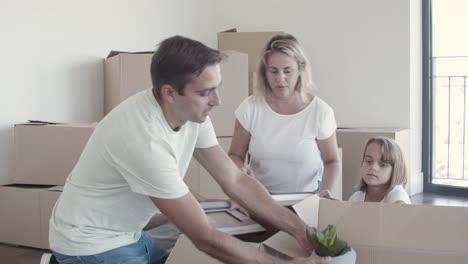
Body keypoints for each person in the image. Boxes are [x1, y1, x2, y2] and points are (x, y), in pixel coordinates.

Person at [46, 35, 330, 264]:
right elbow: (203, 236)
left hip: (129, 233)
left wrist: (298, 229)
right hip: (91, 242)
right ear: (170, 92)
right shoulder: (143, 139)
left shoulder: (192, 113)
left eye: (217, 88)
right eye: (207, 92)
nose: (217, 101)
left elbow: (235, 179)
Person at [228, 34, 341, 198]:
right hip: (260, 197)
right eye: (273, 71)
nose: (280, 79)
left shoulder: (320, 112)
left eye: (287, 71)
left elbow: (332, 161)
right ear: (264, 73)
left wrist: (325, 192)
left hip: (306, 197)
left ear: (300, 70)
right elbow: (235, 155)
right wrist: (241, 173)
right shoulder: (250, 108)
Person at [348, 136, 411, 204]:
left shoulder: (397, 196)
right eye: (368, 161)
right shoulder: (356, 198)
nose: (373, 167)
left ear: (395, 170)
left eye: (382, 164)